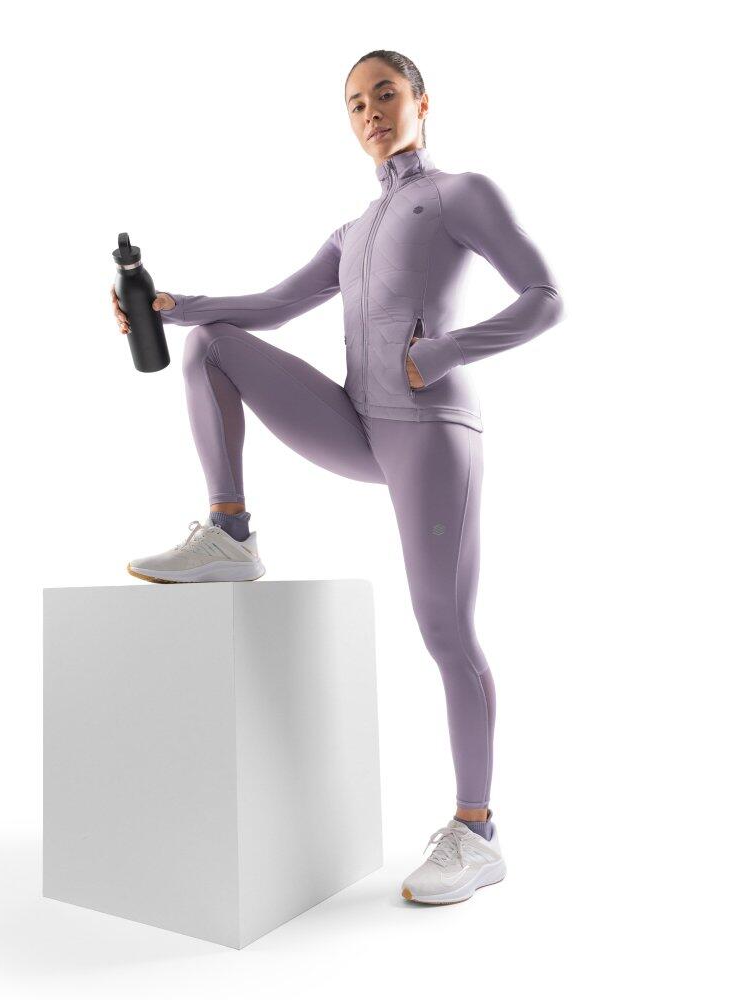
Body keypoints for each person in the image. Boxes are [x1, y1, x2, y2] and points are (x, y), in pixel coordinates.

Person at [110, 49, 564, 906]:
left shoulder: (459, 194)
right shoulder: (352, 231)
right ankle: (230, 534)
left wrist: (446, 352)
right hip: (360, 424)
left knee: (444, 630)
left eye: (385, 95)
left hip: (432, 431)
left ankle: (476, 833)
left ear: (422, 101)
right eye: (356, 104)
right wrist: (173, 307)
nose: (371, 114)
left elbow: (544, 296)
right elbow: (275, 306)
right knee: (212, 347)